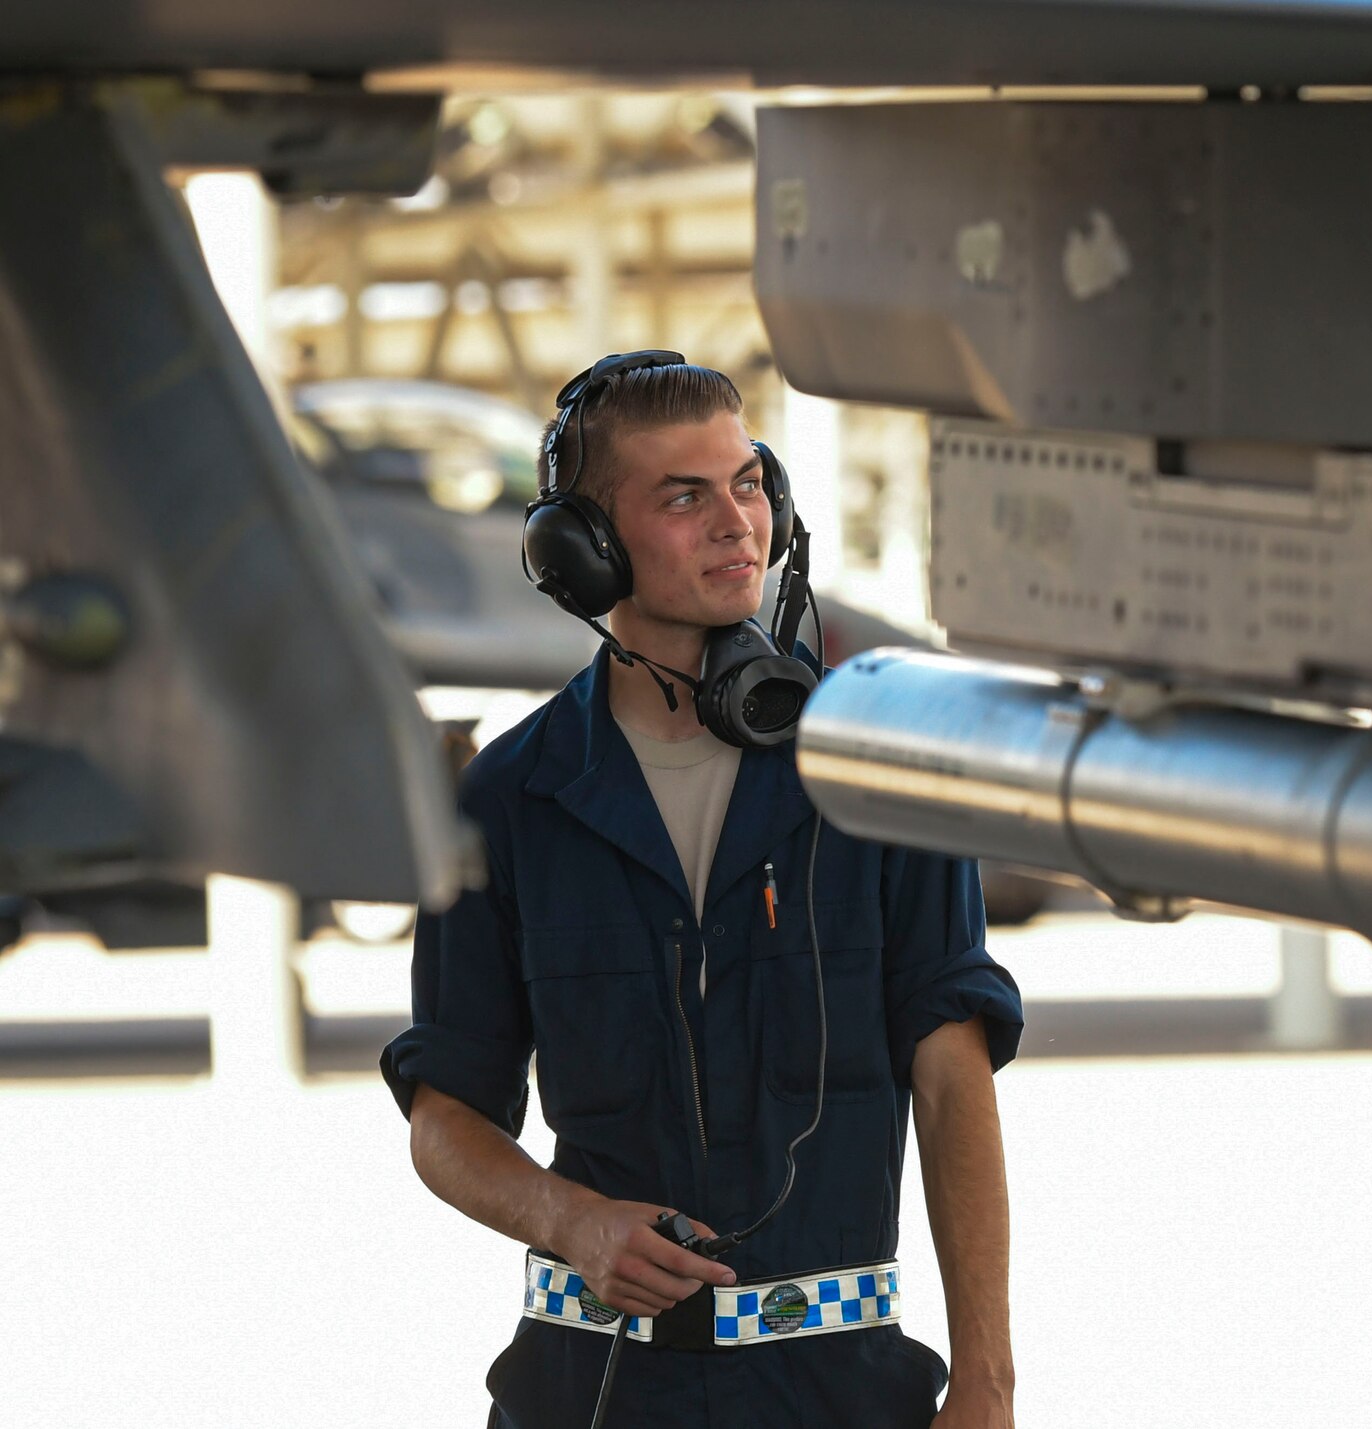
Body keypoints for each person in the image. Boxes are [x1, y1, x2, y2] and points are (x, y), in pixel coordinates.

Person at [381, 354, 1024, 1429]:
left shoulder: (875, 773)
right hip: (590, 1393)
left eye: (745, 483)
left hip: (841, 1395)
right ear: (583, 553)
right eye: (683, 497)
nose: (735, 522)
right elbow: (445, 1115)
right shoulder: (512, 796)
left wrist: (988, 1384)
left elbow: (951, 1074)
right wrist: (569, 1218)